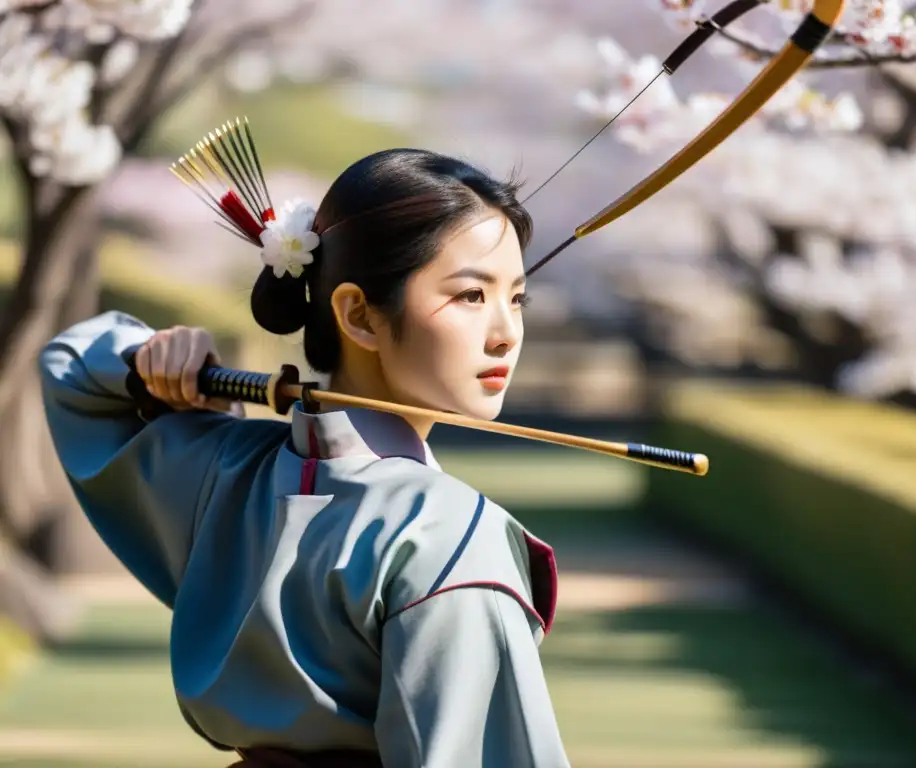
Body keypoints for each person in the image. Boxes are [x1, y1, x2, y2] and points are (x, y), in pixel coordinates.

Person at [39, 148, 570, 768]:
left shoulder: (225, 472)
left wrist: (141, 365)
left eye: (518, 299)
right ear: (358, 315)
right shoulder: (448, 534)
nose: (506, 331)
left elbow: (71, 367)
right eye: (472, 296)